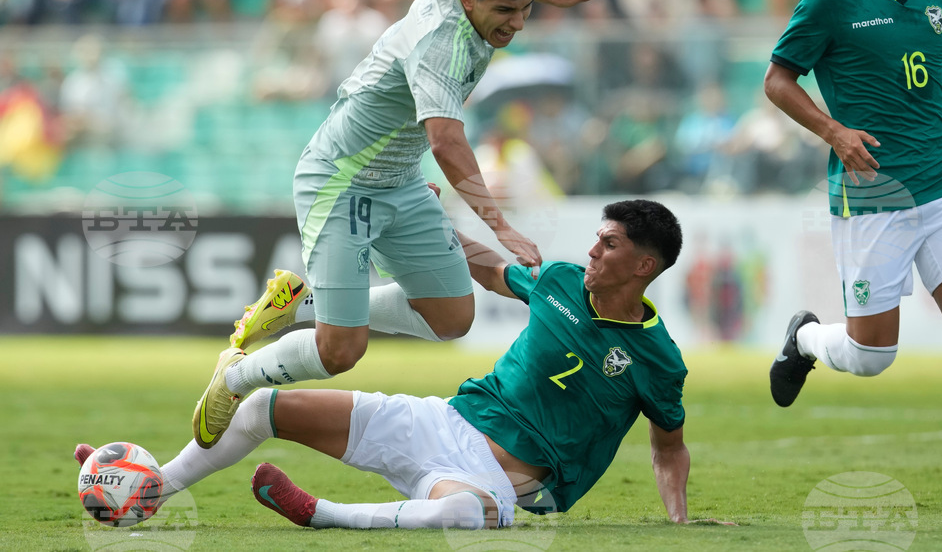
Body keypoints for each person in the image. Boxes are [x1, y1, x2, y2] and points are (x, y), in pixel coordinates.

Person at [79, 200, 735, 528]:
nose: (593, 249)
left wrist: (677, 518)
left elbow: (668, 444)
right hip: (442, 422)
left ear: (644, 266)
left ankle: (323, 514)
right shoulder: (560, 280)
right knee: (261, 408)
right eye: (596, 236)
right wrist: (432, 220)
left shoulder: (657, 359)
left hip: (508, 478)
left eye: (610, 243)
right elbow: (488, 270)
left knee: (463, 516)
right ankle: (149, 489)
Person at [191, 0, 596, 450]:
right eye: (505, 10)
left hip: (399, 179)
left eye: (525, 9)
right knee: (340, 351)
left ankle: (299, 303)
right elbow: (447, 142)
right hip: (340, 182)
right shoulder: (439, 47)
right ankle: (236, 378)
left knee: (453, 318)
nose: (516, 23)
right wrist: (501, 227)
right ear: (469, 1)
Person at [763, 0, 942, 511]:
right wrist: (833, 132)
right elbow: (777, 80)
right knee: (872, 356)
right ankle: (807, 340)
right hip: (874, 194)